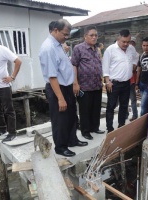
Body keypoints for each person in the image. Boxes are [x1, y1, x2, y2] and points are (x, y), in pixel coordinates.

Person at [39, 19, 87, 157]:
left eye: (68, 34)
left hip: (67, 86)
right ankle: (60, 147)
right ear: (55, 30)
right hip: (57, 88)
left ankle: (72, 140)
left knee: (72, 115)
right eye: (64, 34)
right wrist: (60, 98)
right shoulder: (48, 48)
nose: (66, 37)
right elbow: (52, 76)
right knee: (60, 119)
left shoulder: (58, 44)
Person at [71, 26, 104, 140]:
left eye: (96, 35)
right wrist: (75, 83)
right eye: (91, 35)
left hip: (97, 85)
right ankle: (85, 131)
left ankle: (95, 127)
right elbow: (74, 65)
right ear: (85, 36)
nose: (94, 37)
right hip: (84, 86)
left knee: (96, 108)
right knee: (85, 110)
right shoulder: (78, 48)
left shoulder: (96, 49)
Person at [102, 29, 138, 133]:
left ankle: (121, 125)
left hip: (126, 83)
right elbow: (105, 67)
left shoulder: (131, 48)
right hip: (113, 84)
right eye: (124, 42)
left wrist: (134, 65)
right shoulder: (110, 50)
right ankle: (109, 128)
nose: (126, 44)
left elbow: (136, 57)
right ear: (118, 39)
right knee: (111, 106)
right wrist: (107, 82)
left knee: (124, 105)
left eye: (128, 41)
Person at [135, 37, 148, 116]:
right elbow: (139, 70)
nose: (145, 47)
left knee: (143, 104)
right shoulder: (141, 56)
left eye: (147, 45)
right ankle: (147, 121)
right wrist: (137, 83)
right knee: (145, 105)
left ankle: (141, 123)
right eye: (144, 45)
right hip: (142, 83)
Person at [128, 36, 139, 121]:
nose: (130, 45)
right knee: (123, 99)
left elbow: (134, 68)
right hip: (124, 80)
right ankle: (125, 113)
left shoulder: (137, 54)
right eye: (129, 43)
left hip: (132, 79)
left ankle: (135, 115)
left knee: (133, 99)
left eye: (132, 43)